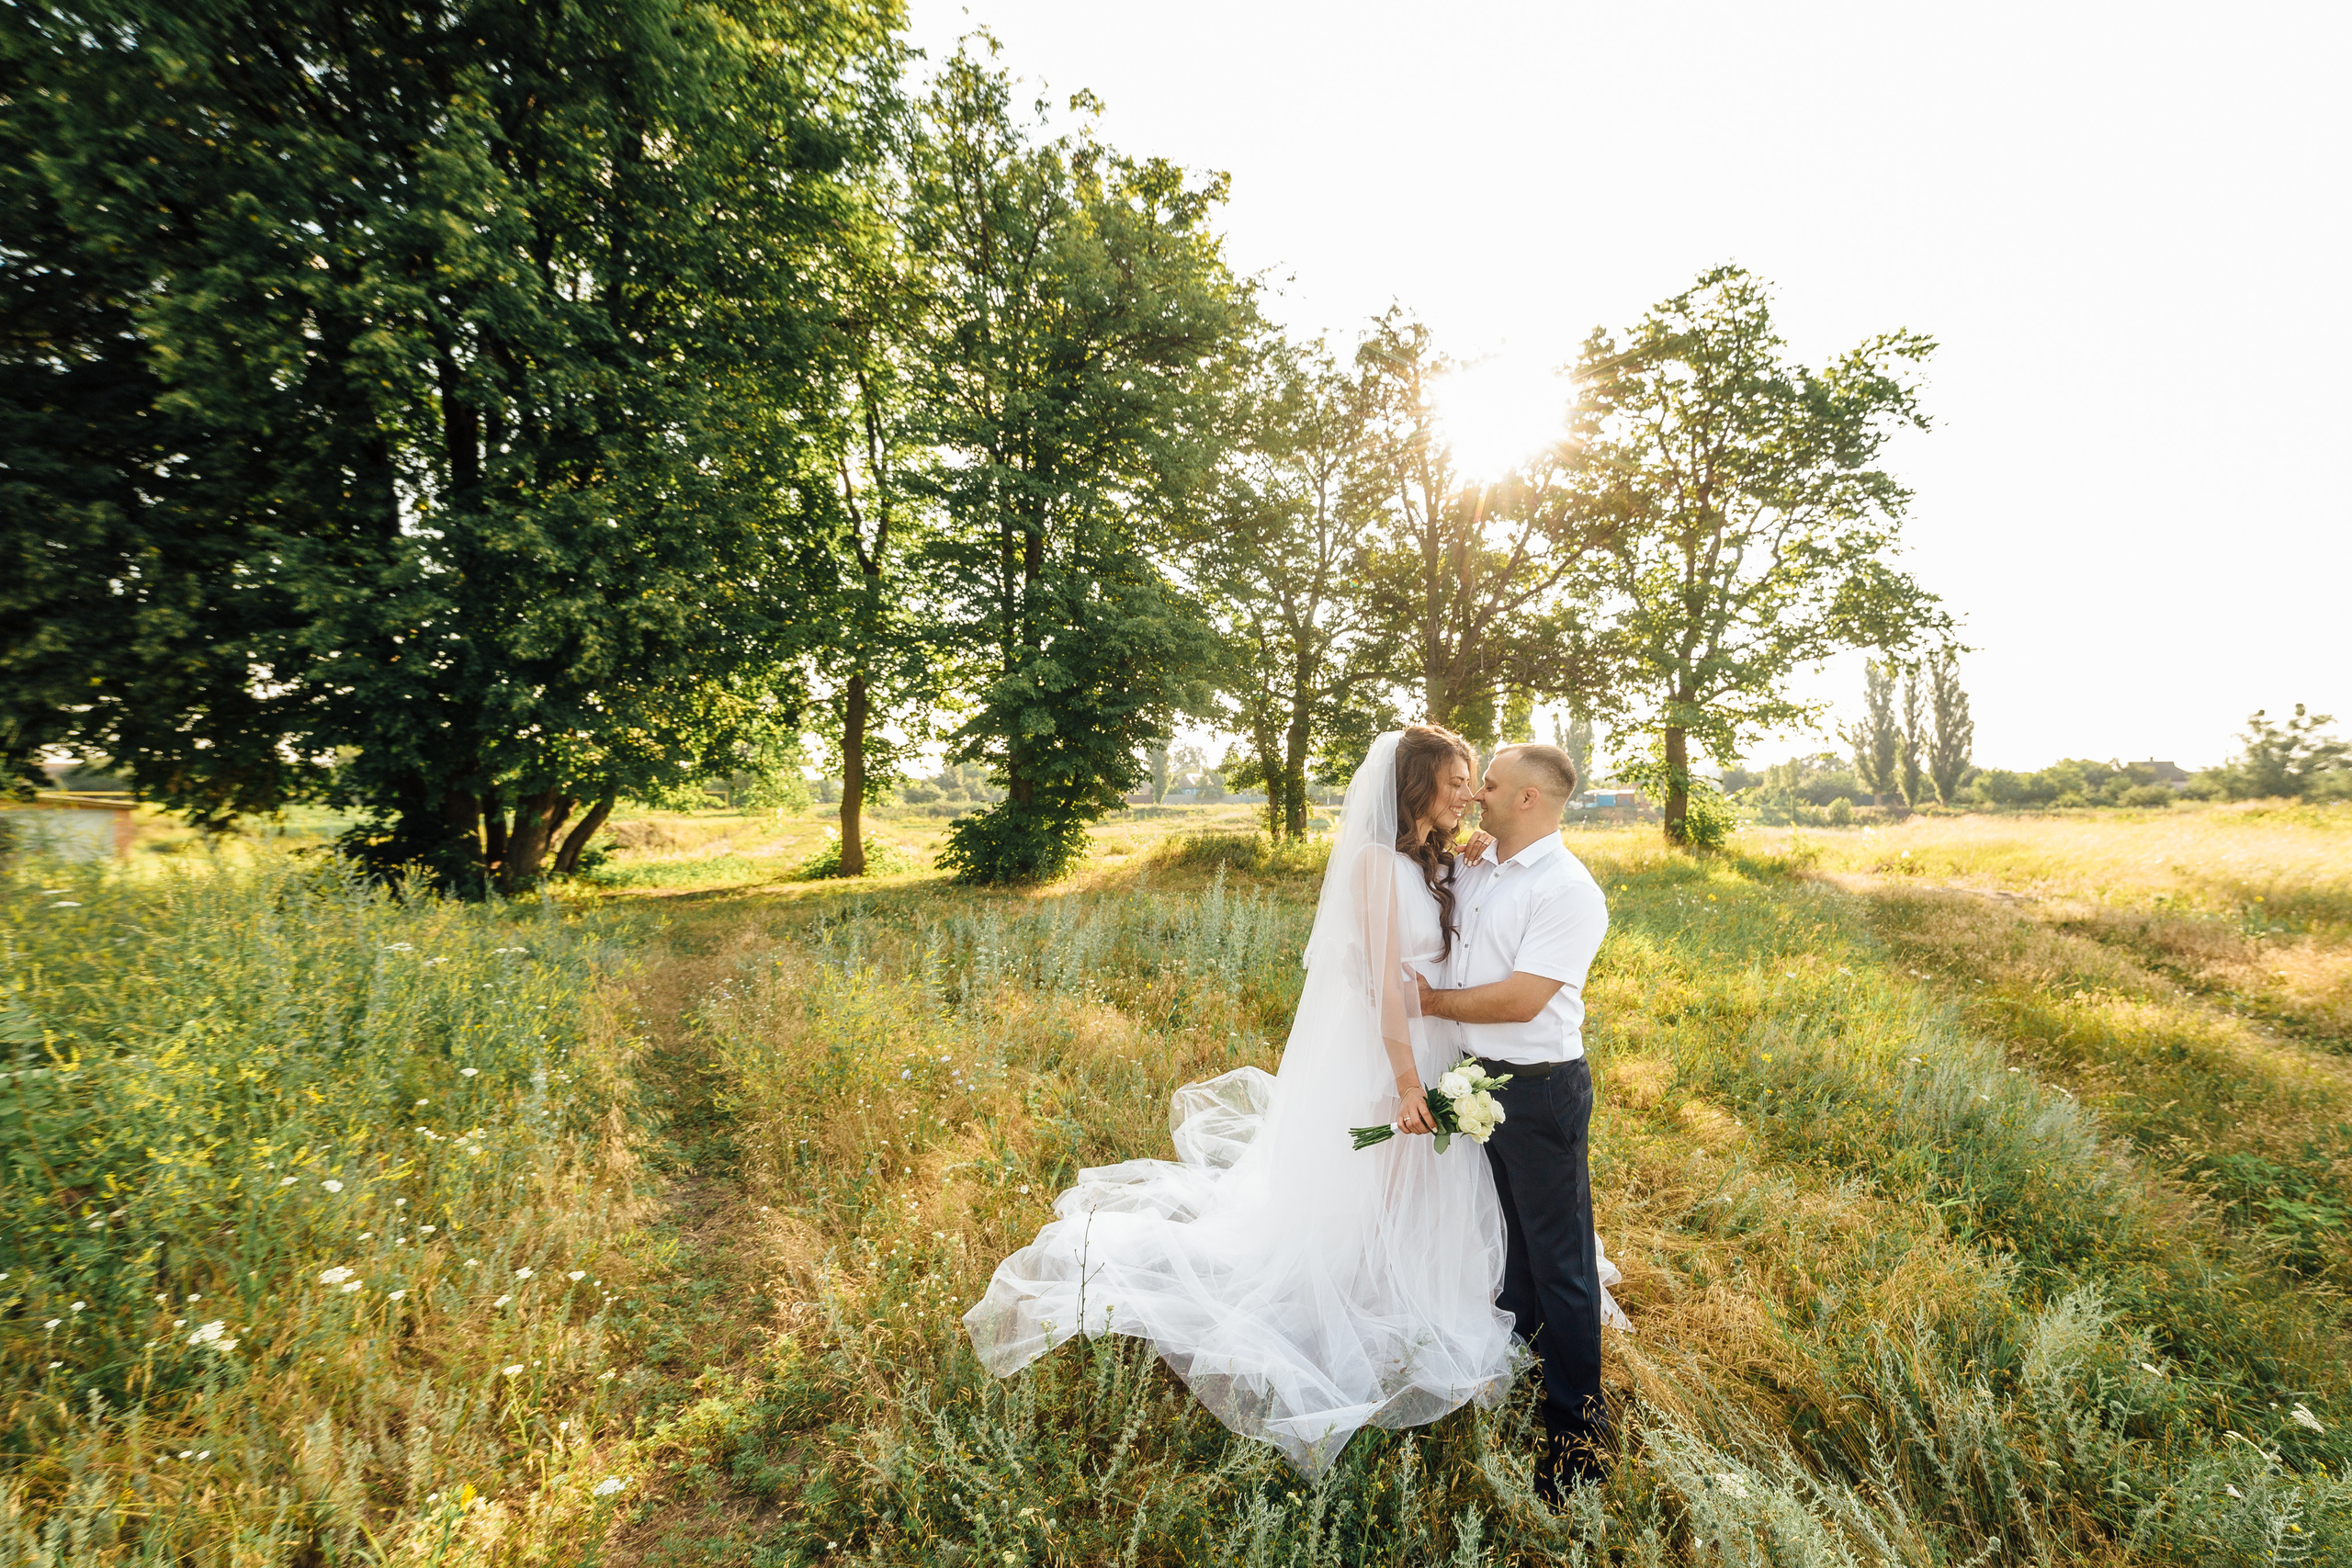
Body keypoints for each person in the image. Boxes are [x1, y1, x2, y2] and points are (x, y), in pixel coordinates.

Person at [963, 726, 1518, 1477]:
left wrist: (1474, 851)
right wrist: (1407, 1079)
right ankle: (1357, 1301)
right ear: (1417, 785)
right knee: (1380, 1178)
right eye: (1456, 781)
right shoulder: (1374, 864)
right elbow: (1384, 982)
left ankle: (1405, 1290)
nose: (1469, 793)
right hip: (1391, 1049)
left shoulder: (1435, 860)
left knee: (1418, 1183)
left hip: (1436, 1040)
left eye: (1472, 782)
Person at [1413, 742, 1616, 1501]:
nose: (1477, 795)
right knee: (1517, 1252)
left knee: (1562, 1262)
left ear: (1529, 799)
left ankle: (1576, 1435)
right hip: (1480, 1084)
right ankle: (1534, 1370)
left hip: (1539, 1089)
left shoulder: (1568, 890)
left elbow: (1523, 998)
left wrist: (1428, 1004)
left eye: (1489, 784)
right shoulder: (1482, 861)